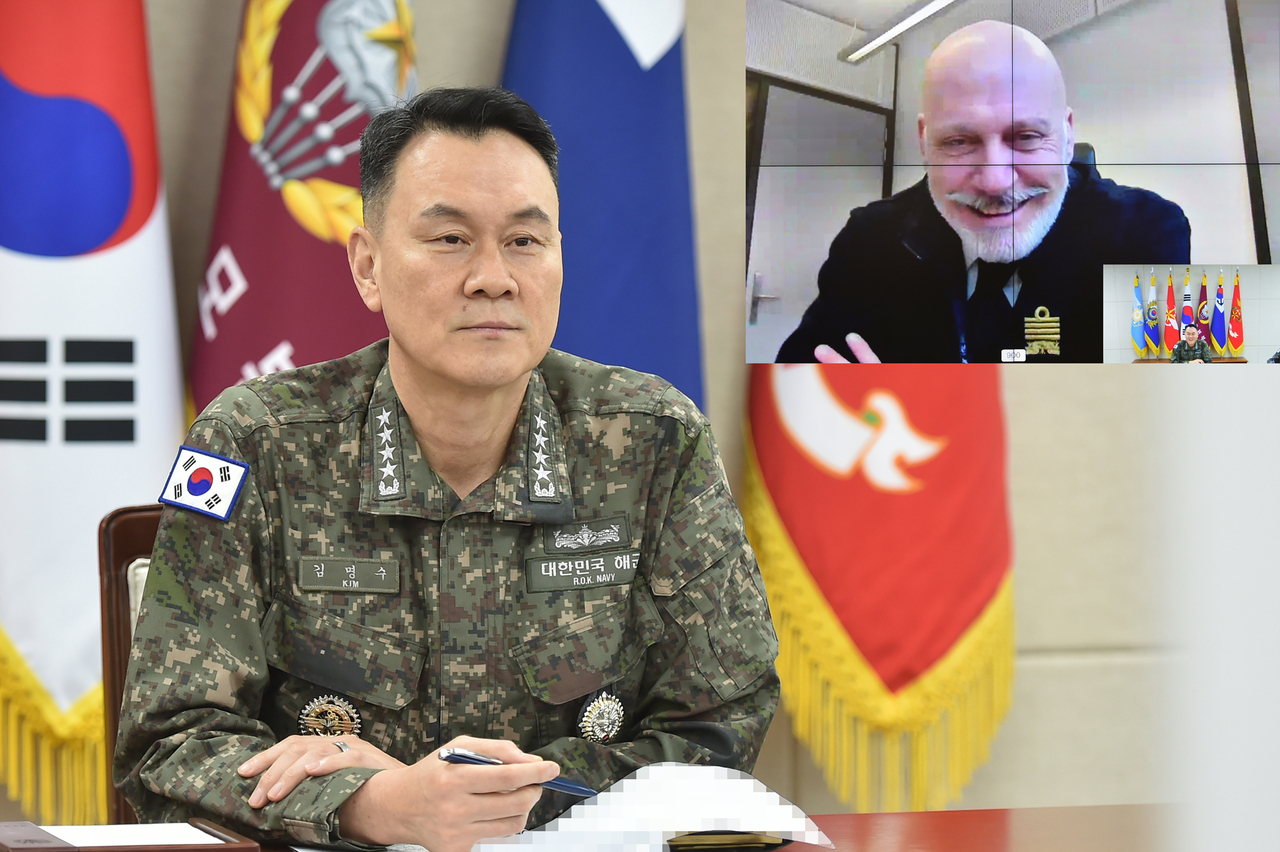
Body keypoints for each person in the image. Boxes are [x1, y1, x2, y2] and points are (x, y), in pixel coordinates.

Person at [113, 87, 780, 852]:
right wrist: (370, 803)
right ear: (368, 267)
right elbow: (167, 746)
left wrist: (492, 797)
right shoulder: (253, 442)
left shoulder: (657, 440)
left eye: (525, 242)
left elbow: (725, 723)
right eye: (451, 239)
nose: (493, 277)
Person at [776, 20, 1191, 364]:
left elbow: (1196, 420)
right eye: (958, 142)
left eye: (1026, 137)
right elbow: (792, 391)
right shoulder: (868, 236)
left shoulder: (1150, 229)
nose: (994, 182)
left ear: (1067, 136)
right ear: (924, 141)